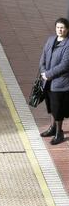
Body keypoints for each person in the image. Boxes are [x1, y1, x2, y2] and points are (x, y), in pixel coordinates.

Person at [39, 17, 69, 145]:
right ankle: (52, 128)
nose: (59, 30)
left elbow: (65, 65)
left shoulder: (68, 45)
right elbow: (43, 57)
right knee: (50, 106)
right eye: (58, 27)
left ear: (67, 30)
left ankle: (59, 132)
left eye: (62, 28)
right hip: (48, 81)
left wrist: (49, 74)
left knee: (58, 109)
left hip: (60, 83)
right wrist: (43, 70)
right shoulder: (51, 40)